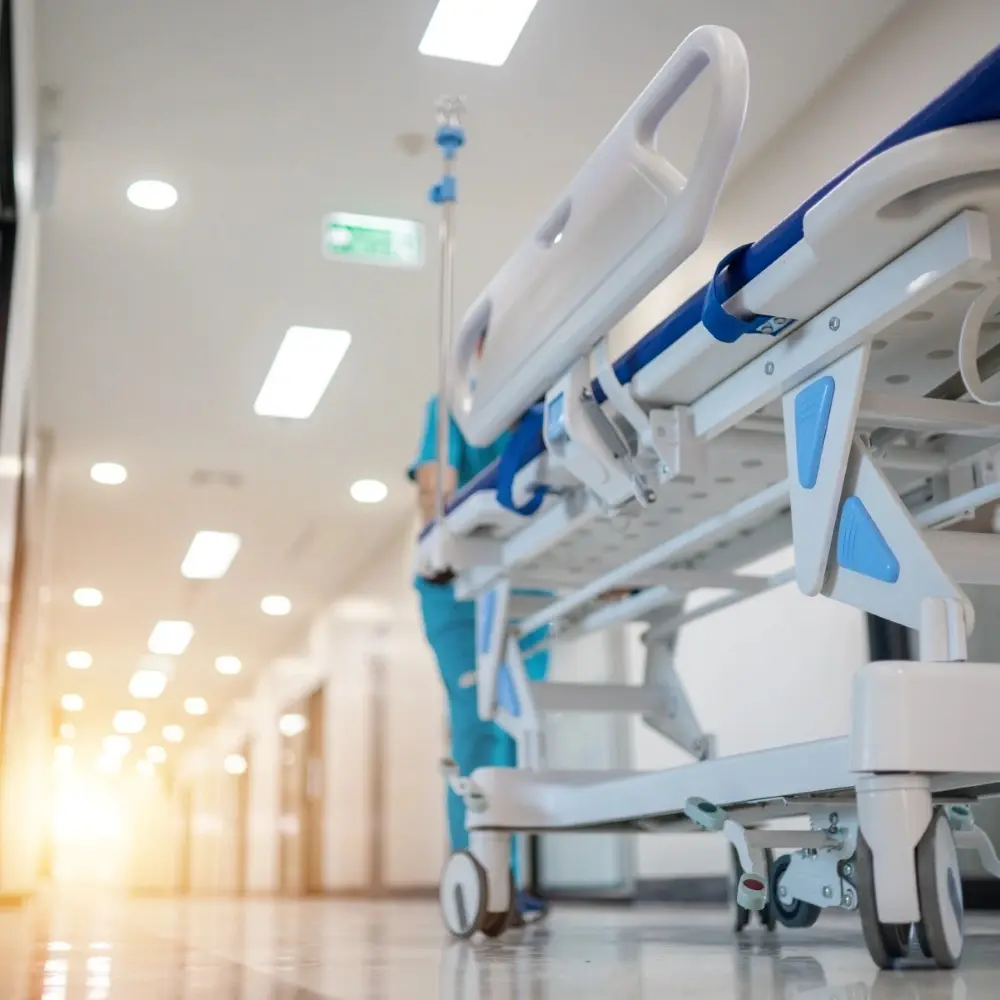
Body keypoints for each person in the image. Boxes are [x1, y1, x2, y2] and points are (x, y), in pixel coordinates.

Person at [408, 393, 550, 925]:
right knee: (478, 729)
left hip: (531, 588)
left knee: (519, 732)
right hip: (460, 589)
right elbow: (433, 485)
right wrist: (436, 535)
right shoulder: (457, 403)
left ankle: (505, 872)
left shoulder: (555, 389)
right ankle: (478, 867)